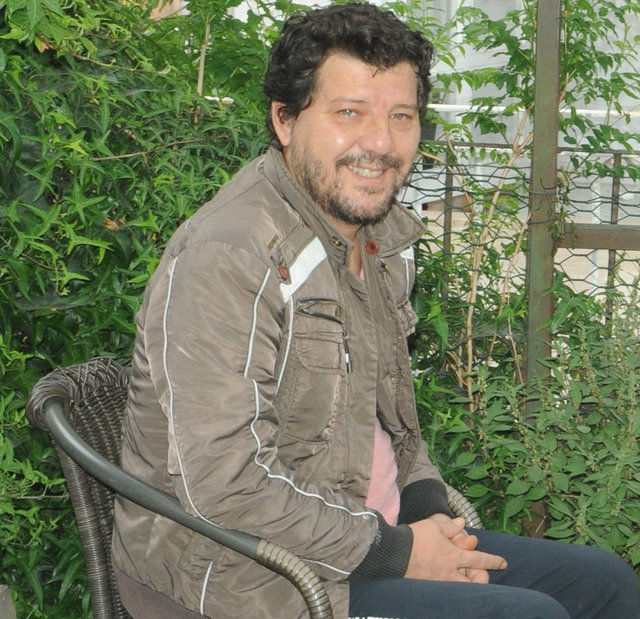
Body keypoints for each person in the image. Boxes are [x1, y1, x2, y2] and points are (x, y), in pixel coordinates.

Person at [111, 3, 640, 618]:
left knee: (604, 583)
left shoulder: (377, 240)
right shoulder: (229, 257)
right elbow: (224, 484)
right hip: (252, 577)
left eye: (401, 117)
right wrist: (399, 553)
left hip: (373, 538)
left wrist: (426, 512)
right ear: (285, 120)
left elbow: (389, 421)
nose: (381, 144)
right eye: (349, 113)